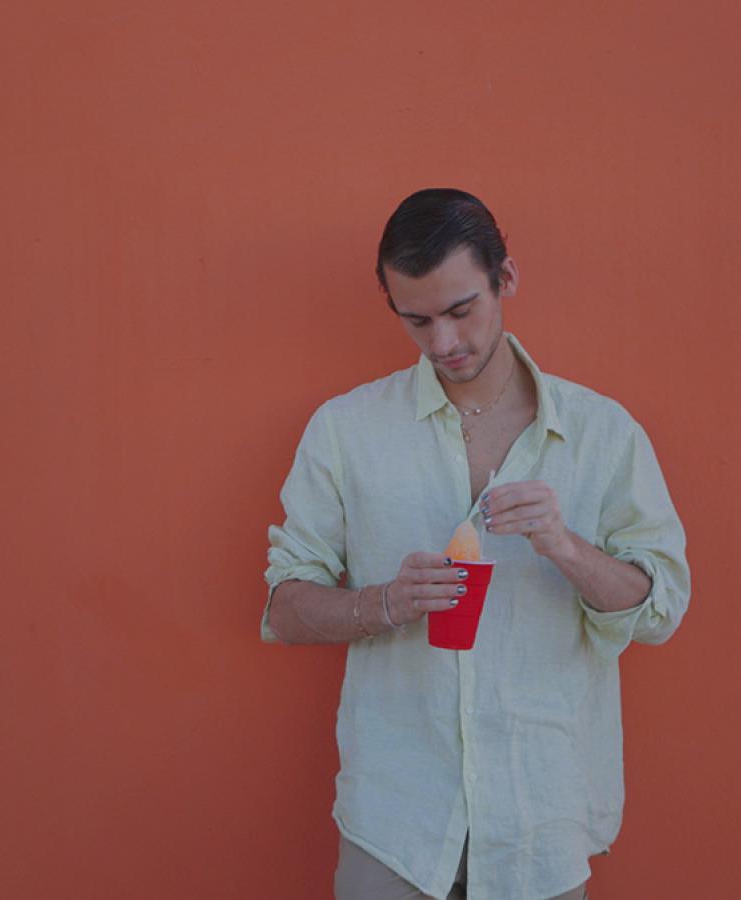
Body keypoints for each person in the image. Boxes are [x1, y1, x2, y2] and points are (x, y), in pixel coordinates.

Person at [260, 188, 690, 900]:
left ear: (506, 279)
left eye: (462, 311)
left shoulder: (603, 433)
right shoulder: (345, 430)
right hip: (395, 820)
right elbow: (283, 606)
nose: (443, 344)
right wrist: (385, 603)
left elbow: (659, 611)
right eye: (417, 320)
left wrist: (565, 546)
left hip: (539, 819)